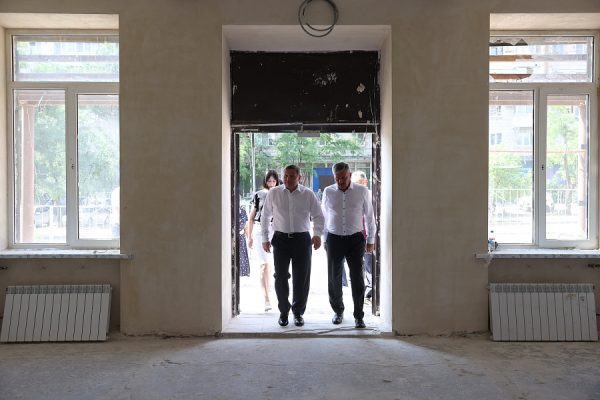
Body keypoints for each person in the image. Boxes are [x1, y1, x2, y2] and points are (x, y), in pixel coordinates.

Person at [261, 165, 324, 327]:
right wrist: (265, 238)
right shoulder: (274, 193)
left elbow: (318, 215)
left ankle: (298, 313)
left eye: (292, 176)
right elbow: (265, 215)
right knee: (280, 277)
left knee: (301, 278)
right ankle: (283, 312)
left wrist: (317, 234)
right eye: (286, 176)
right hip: (280, 239)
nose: (288, 179)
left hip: (302, 240)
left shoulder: (308, 194)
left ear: (299, 177)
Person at [321, 162, 375, 329]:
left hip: (355, 239)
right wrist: (324, 238)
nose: (340, 181)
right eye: (337, 178)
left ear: (350, 175)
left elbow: (369, 217)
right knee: (334, 278)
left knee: (357, 278)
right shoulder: (328, 191)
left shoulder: (362, 191)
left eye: (343, 178)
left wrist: (371, 240)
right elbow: (324, 216)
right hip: (334, 238)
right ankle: (338, 311)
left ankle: (359, 315)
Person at [247, 170, 280, 312]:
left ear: (277, 181)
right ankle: (266, 299)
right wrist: (249, 237)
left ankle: (268, 291)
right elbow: (251, 217)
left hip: (275, 230)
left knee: (270, 266)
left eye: (274, 181)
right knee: (264, 264)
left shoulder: (281, 193)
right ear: (265, 182)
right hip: (260, 229)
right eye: (269, 181)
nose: (271, 183)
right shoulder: (259, 194)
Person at [351, 170, 373, 301]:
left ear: (365, 182)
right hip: (356, 236)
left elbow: (371, 218)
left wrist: (371, 238)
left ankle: (369, 291)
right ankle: (362, 291)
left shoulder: (371, 194)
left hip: (367, 235)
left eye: (359, 182)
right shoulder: (351, 195)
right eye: (355, 183)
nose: (357, 185)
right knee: (357, 267)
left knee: (369, 264)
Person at [239, 206, 250, 277]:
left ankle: (242, 273)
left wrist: (249, 238)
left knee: (242, 256)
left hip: (241, 237)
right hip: (231, 237)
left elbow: (246, 226)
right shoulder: (229, 211)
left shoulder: (243, 211)